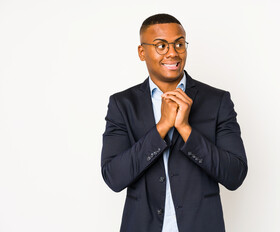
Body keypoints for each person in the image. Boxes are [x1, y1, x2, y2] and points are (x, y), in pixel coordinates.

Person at [101, 13, 248, 232]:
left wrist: (186, 129)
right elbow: (114, 177)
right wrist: (162, 127)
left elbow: (235, 174)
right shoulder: (122, 104)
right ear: (142, 52)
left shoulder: (217, 101)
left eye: (179, 44)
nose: (172, 52)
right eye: (161, 46)